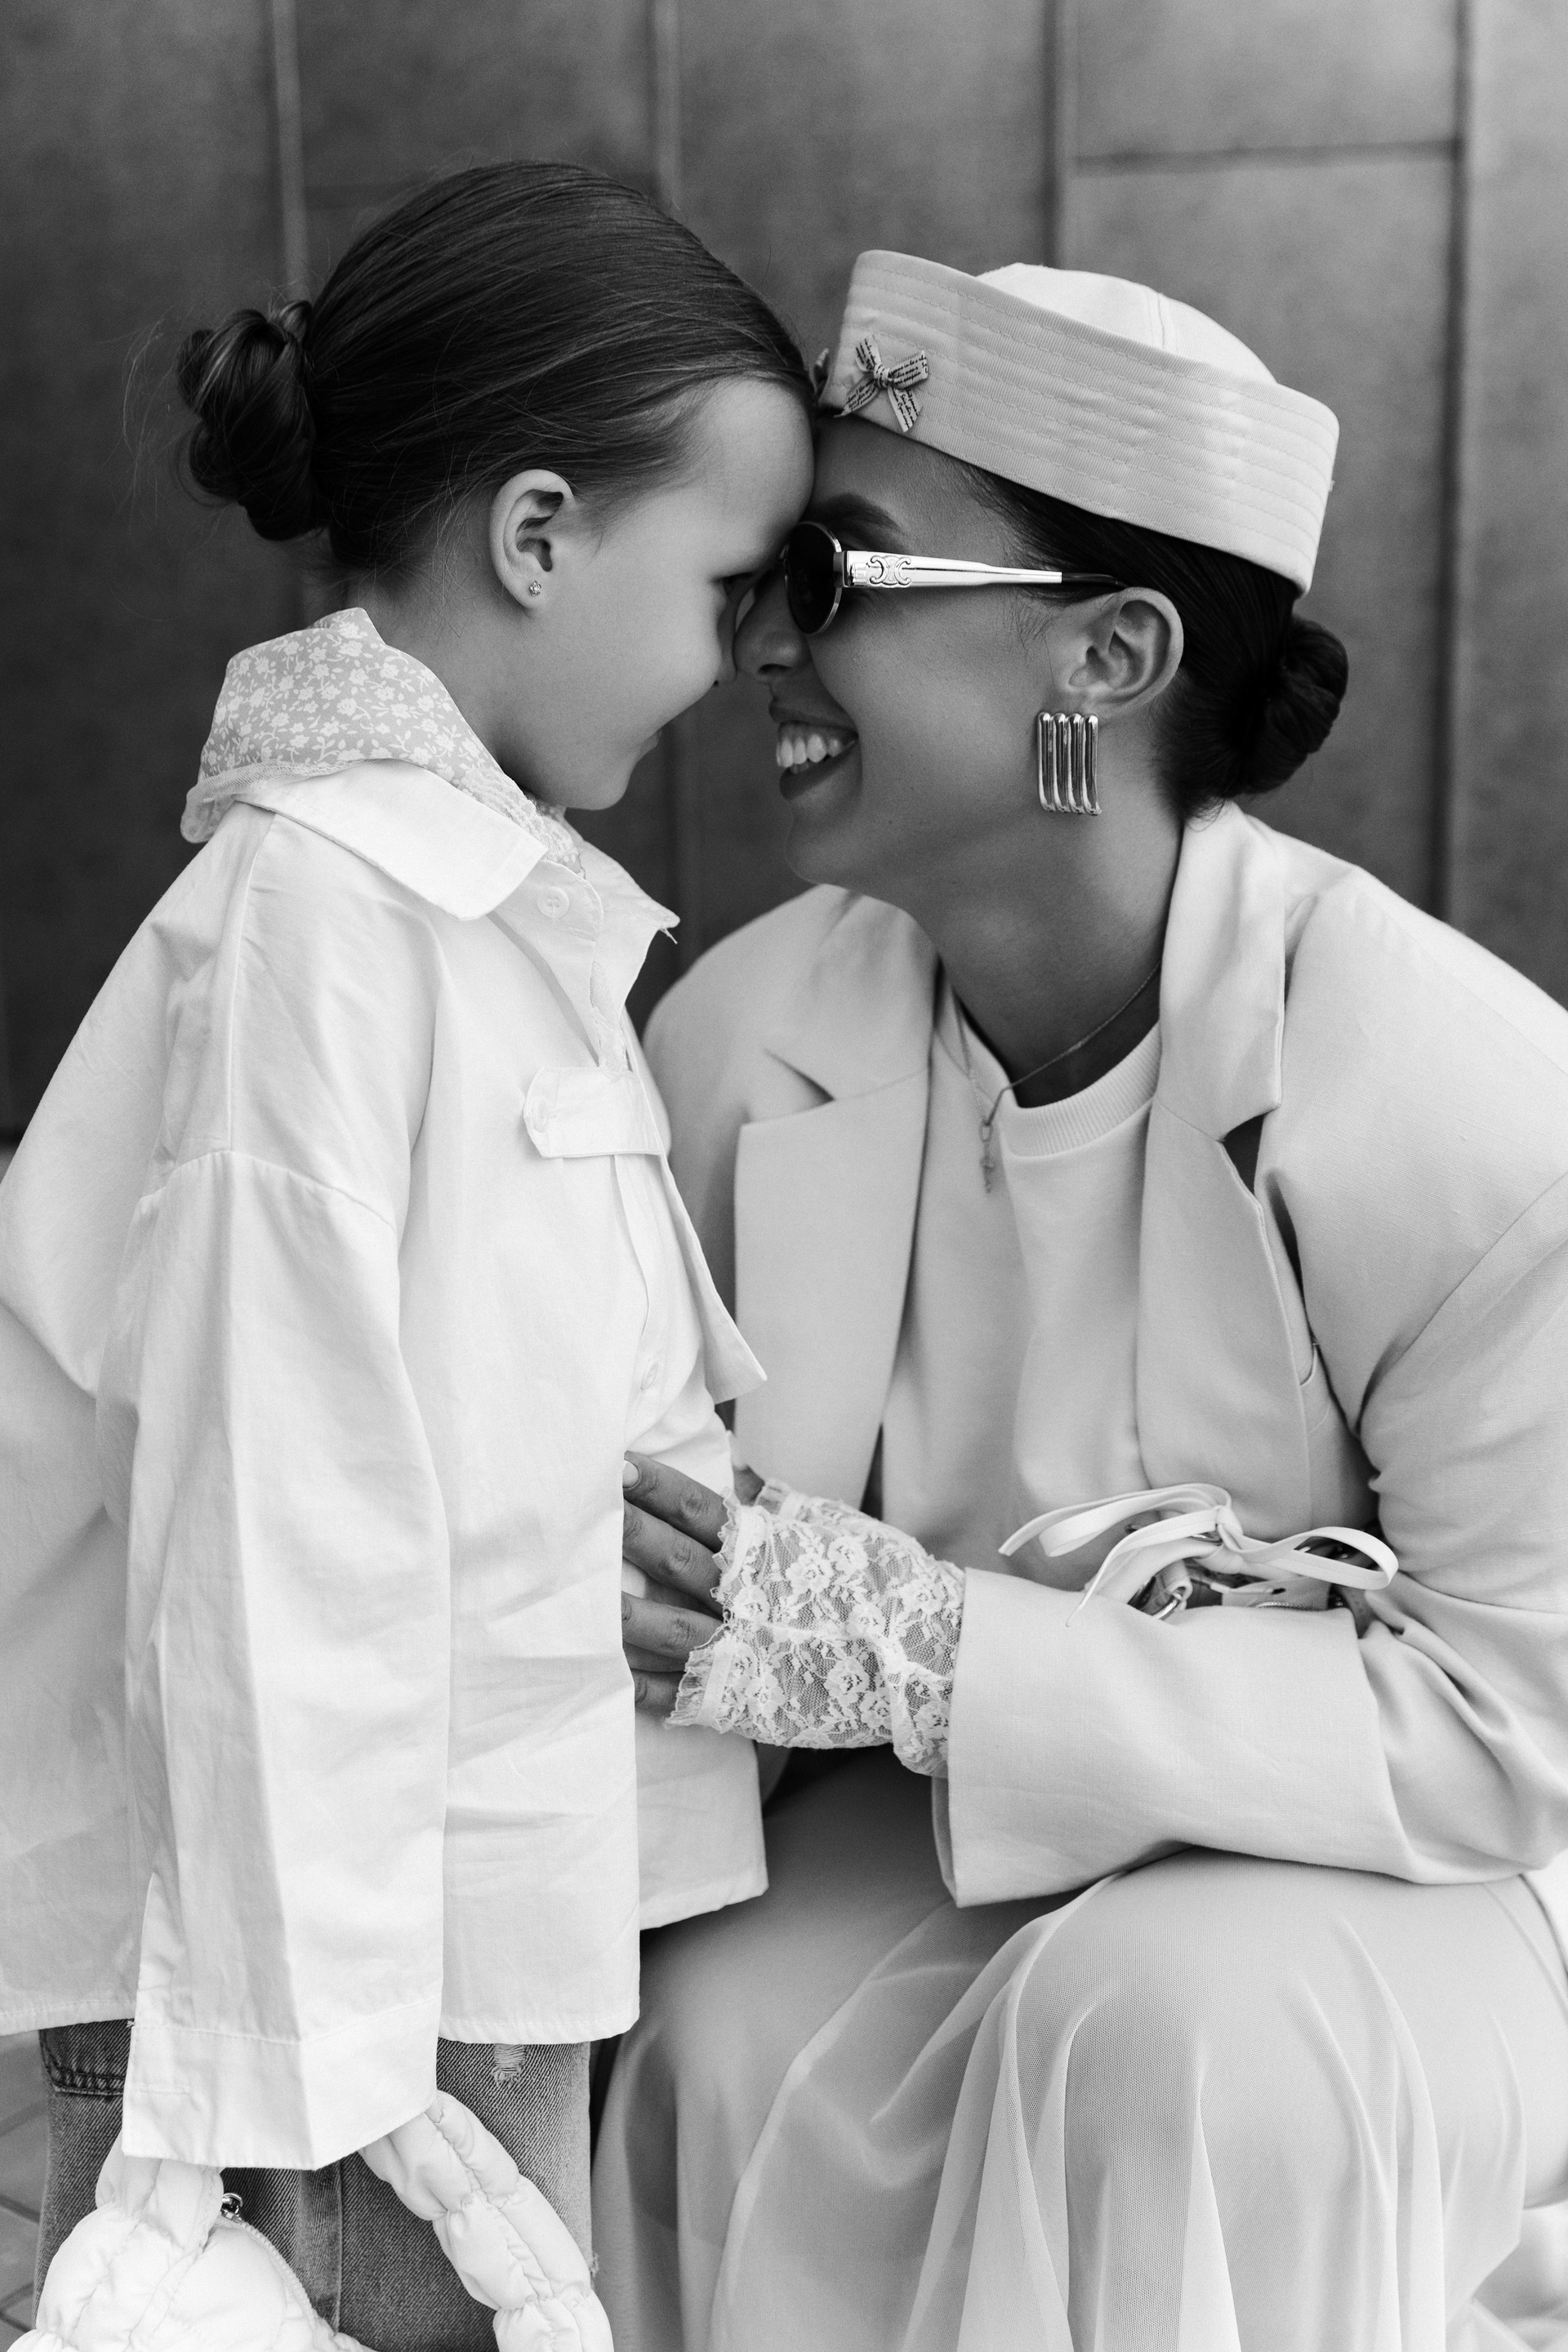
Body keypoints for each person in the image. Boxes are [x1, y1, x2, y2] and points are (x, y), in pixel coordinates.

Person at [592, 252, 1568, 2350]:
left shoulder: (1467, 1105)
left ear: (1109, 654)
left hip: (1425, 1884)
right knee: (710, 2027)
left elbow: (1520, 1728)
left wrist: (944, 1657)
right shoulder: (740, 1039)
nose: (762, 639)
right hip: (952, 1842)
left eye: (834, 571)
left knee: (1158, 2034)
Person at [0, 162, 812, 2345]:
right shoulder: (327, 924)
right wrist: (310, 2067)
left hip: (462, 1924)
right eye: (725, 584)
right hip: (342, 2001)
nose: (744, 656)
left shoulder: (474, 910)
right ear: (540, 536)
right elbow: (266, 1515)